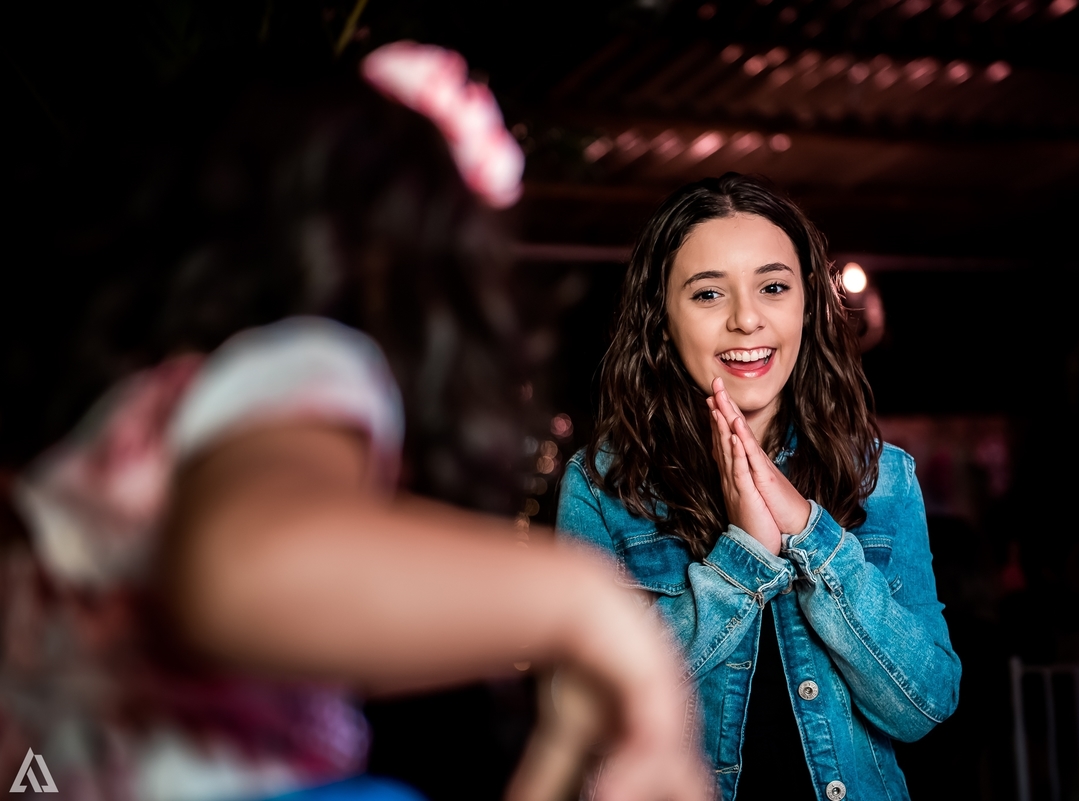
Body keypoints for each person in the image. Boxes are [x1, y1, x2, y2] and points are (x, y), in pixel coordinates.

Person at [0, 43, 708, 801]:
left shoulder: (124, 430)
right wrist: (591, 606)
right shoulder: (304, 364)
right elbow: (248, 574)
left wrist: (561, 740)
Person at [557, 173, 961, 801]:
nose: (747, 320)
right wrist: (740, 557)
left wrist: (811, 535)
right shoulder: (603, 484)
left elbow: (925, 703)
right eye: (708, 294)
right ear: (662, 316)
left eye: (773, 287)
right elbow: (584, 712)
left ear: (807, 304)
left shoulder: (879, 477)